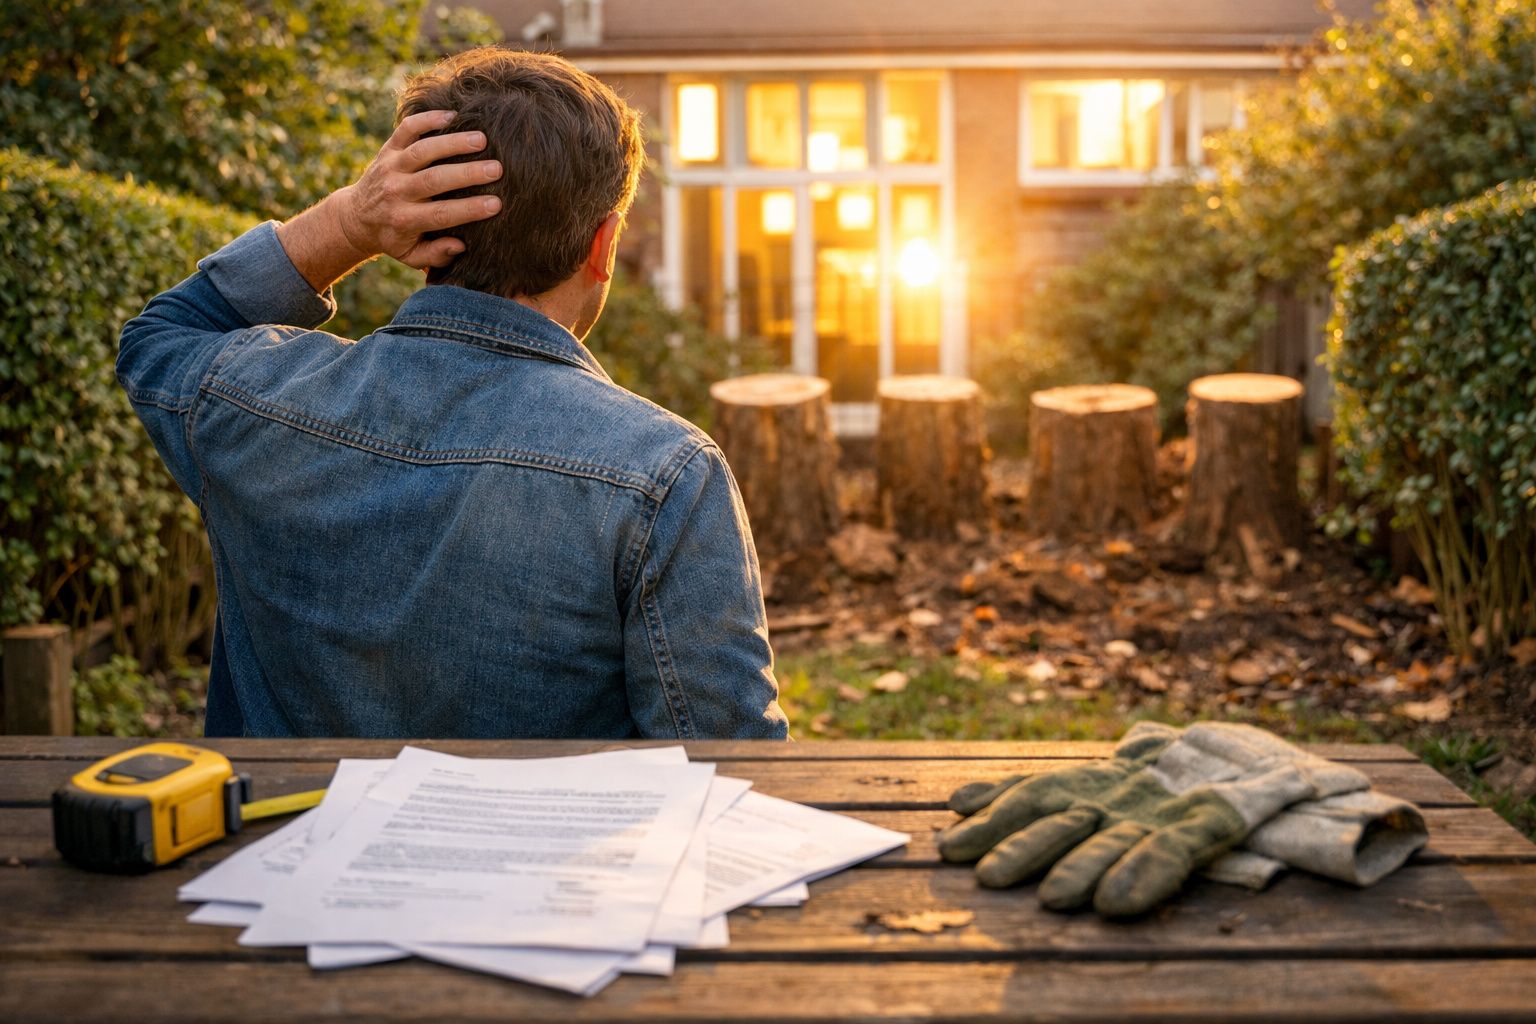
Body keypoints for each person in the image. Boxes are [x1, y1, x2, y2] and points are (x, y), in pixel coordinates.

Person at [116, 48, 788, 740]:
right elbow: (728, 761)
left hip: (286, 817)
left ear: (416, 217)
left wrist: (346, 223)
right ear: (605, 245)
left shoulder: (257, 400)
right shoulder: (665, 475)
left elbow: (160, 337)